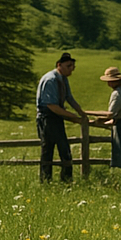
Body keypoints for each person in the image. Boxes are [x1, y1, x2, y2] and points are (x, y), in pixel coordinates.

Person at [36, 52, 87, 183]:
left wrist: (81, 112)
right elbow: (52, 106)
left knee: (64, 149)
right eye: (68, 66)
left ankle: (66, 181)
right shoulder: (51, 80)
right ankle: (46, 181)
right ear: (59, 65)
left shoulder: (63, 79)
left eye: (73, 66)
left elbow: (69, 97)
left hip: (57, 117)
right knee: (48, 150)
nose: (71, 69)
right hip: (47, 118)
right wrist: (73, 116)